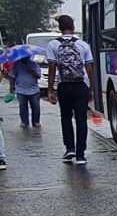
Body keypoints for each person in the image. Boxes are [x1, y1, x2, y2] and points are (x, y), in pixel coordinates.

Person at [47, 15, 94, 165]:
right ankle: (81, 155)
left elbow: (52, 67)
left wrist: (50, 90)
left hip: (64, 86)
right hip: (81, 86)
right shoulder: (83, 45)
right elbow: (89, 67)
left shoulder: (53, 45)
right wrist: (91, 88)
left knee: (65, 117)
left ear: (60, 28)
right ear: (73, 27)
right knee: (81, 119)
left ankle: (69, 149)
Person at [9, 56, 42, 128]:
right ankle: (24, 122)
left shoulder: (34, 64)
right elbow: (12, 76)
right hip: (21, 90)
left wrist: (32, 71)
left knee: (36, 107)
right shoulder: (16, 64)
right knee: (22, 107)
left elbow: (39, 76)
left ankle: (36, 122)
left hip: (34, 90)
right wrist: (11, 87)